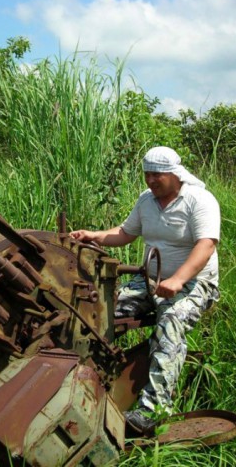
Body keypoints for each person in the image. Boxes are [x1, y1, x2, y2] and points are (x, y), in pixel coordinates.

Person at [69, 146, 221, 436]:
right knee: (101, 313)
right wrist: (94, 236)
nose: (150, 180)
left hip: (193, 282)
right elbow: (126, 233)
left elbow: (207, 245)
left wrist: (177, 280)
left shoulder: (200, 200)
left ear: (175, 174)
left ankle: (153, 410)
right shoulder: (146, 201)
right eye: (147, 174)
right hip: (148, 279)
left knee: (170, 323)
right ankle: (95, 381)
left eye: (157, 175)